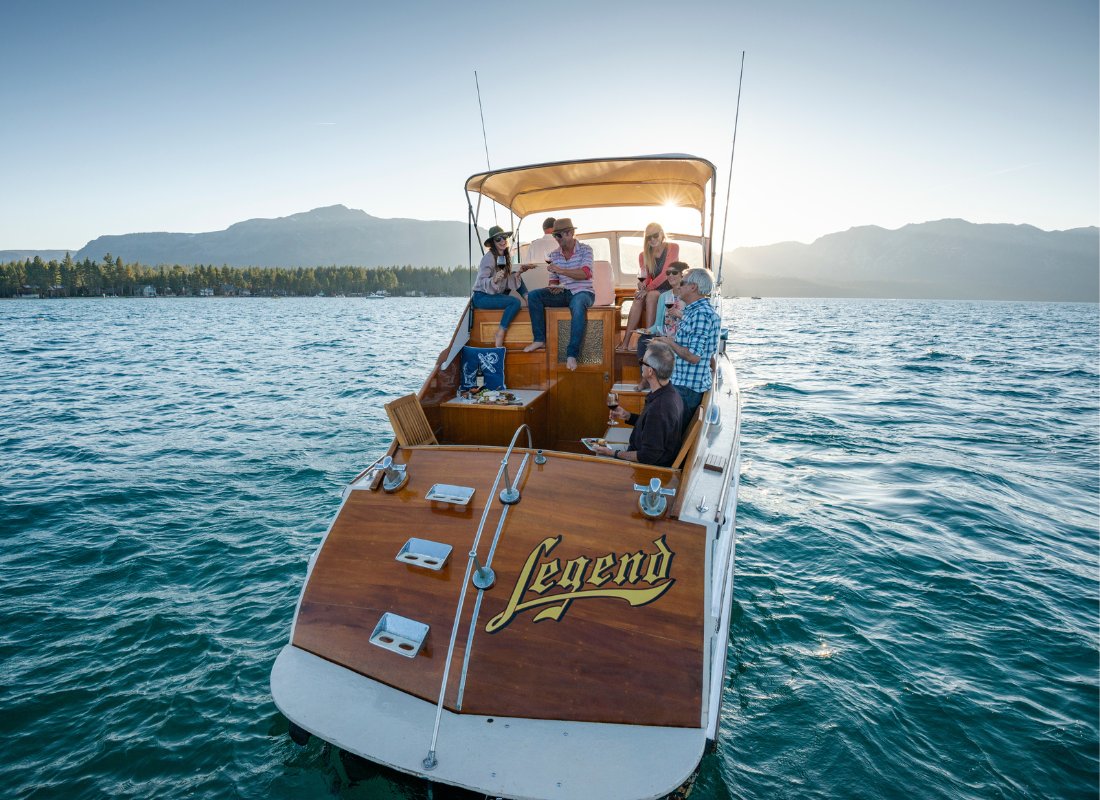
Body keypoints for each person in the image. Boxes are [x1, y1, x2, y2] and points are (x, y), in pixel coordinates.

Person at [593, 341, 683, 467]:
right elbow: (651, 427)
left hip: (647, 469)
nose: (640, 364)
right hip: (641, 453)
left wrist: (612, 453)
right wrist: (627, 415)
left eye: (642, 362)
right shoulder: (670, 392)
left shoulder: (660, 409)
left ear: (650, 371)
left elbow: (647, 456)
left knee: (597, 459)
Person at [653, 267, 720, 433]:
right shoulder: (695, 312)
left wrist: (669, 342)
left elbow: (694, 356)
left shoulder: (700, 315)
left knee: (670, 435)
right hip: (683, 384)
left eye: (682, 282)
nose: (679, 286)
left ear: (693, 287)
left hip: (686, 388)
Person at [523, 218, 594, 371]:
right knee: (534, 296)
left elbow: (585, 274)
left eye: (559, 236)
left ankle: (571, 354)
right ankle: (539, 339)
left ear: (570, 233)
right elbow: (554, 281)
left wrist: (561, 271)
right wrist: (553, 287)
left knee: (578, 303)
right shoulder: (554, 255)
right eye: (555, 236)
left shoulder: (586, 250)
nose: (556, 239)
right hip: (564, 293)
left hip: (583, 292)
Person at [472, 226, 536, 348]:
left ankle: (529, 300)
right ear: (492, 243)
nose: (502, 241)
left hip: (494, 293)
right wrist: (494, 279)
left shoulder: (505, 256)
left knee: (515, 276)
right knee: (515, 303)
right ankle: (500, 333)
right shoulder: (488, 258)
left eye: (504, 237)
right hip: (482, 297)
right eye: (498, 239)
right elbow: (481, 281)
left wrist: (520, 271)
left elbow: (506, 281)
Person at [620, 223, 680, 348]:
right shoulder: (643, 255)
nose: (652, 239)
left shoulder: (673, 247)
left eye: (655, 235)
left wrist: (647, 288)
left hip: (672, 286)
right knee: (637, 299)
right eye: (649, 237)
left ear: (661, 234)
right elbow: (646, 277)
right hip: (655, 287)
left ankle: (648, 339)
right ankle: (625, 341)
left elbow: (666, 273)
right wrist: (642, 286)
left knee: (651, 295)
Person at [634, 261, 687, 387]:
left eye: (674, 272)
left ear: (682, 275)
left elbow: (691, 320)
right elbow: (658, 324)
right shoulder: (664, 296)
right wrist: (646, 331)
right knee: (642, 340)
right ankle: (646, 379)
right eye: (668, 273)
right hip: (664, 335)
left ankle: (661, 382)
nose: (670, 275)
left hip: (680, 337)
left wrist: (679, 314)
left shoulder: (688, 296)